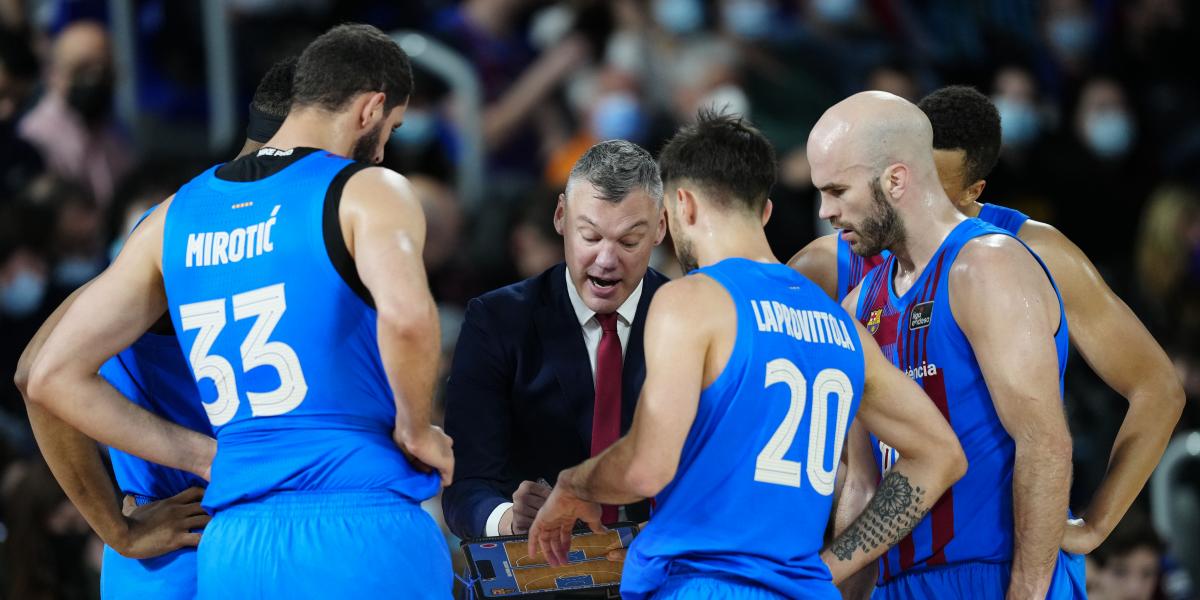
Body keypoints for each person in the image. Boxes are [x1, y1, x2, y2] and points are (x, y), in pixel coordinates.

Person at [25, 23, 454, 597]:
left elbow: (46, 371)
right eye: (391, 129)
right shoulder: (360, 189)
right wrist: (416, 428)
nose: (383, 148)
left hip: (232, 532)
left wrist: (202, 463)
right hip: (342, 514)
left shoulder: (174, 219)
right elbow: (406, 318)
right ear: (369, 109)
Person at [527, 111, 966, 599]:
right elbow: (939, 455)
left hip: (704, 585)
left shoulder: (690, 300)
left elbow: (646, 468)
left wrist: (573, 484)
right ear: (765, 213)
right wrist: (828, 568)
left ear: (683, 206)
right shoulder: (844, 326)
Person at [790, 85, 1184, 562]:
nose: (915, 194)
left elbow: (1157, 387)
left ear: (976, 191)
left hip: (1002, 560)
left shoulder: (1030, 250)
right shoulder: (830, 265)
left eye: (938, 185)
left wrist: (1094, 525)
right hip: (892, 563)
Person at [13, 55, 298, 600]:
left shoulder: (259, 227)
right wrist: (118, 531)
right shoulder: (177, 229)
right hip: (187, 540)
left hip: (258, 531)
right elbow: (38, 375)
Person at [809, 91, 1083, 598]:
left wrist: (1027, 592)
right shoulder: (856, 305)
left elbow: (1044, 444)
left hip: (994, 574)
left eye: (838, 190)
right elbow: (864, 484)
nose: (826, 210)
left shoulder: (987, 265)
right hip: (897, 584)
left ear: (895, 179)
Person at [442, 139, 669, 539]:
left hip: (662, 574)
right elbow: (466, 487)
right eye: (590, 236)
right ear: (561, 216)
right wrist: (509, 518)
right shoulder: (497, 321)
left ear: (661, 228)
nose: (606, 259)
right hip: (543, 570)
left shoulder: (689, 320)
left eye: (629, 241)